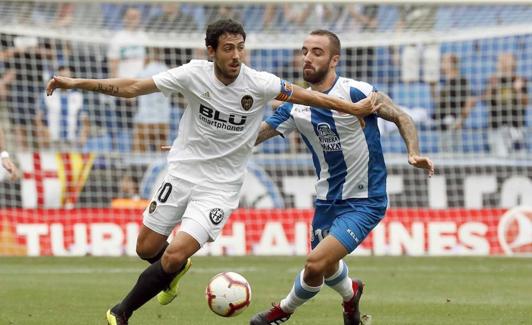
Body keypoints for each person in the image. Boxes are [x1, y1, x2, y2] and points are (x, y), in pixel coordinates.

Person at [46, 19, 378, 325]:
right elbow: (133, 86)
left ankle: (121, 311)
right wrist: (76, 82)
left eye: (240, 48)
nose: (236, 56)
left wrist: (351, 108)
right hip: (181, 174)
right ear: (211, 51)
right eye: (228, 49)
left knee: (175, 252)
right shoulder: (193, 74)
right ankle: (173, 272)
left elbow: (308, 95)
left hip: (220, 187)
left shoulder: (259, 82)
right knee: (147, 249)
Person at [250, 30, 434, 325]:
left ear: (334, 60)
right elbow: (254, 137)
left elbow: (402, 116)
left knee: (314, 265)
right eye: (305, 51)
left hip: (365, 201)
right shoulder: (295, 105)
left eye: (317, 52)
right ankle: (352, 297)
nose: (308, 57)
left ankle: (280, 312)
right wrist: (210, 146)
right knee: (328, 267)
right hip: (326, 200)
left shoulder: (356, 93)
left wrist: (413, 152)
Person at [483, 52, 528, 157]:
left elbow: (525, 103)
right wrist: (492, 86)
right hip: (496, 126)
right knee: (499, 159)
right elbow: (486, 100)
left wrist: (518, 90)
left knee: (519, 156)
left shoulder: (519, 79)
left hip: (515, 126)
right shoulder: (493, 80)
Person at [35, 65, 90, 150]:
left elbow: (85, 120)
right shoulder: (47, 94)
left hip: (73, 142)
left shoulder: (78, 96)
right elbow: (38, 118)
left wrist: (83, 136)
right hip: (52, 141)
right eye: (62, 77)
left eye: (67, 77)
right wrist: (44, 133)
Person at [432, 53, 476, 153]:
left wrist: (460, 120)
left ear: (451, 64)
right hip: (442, 124)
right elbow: (439, 102)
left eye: (444, 62)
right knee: (444, 155)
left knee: (452, 156)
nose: (441, 64)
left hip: (452, 125)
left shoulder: (460, 80)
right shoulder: (444, 82)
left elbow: (471, 100)